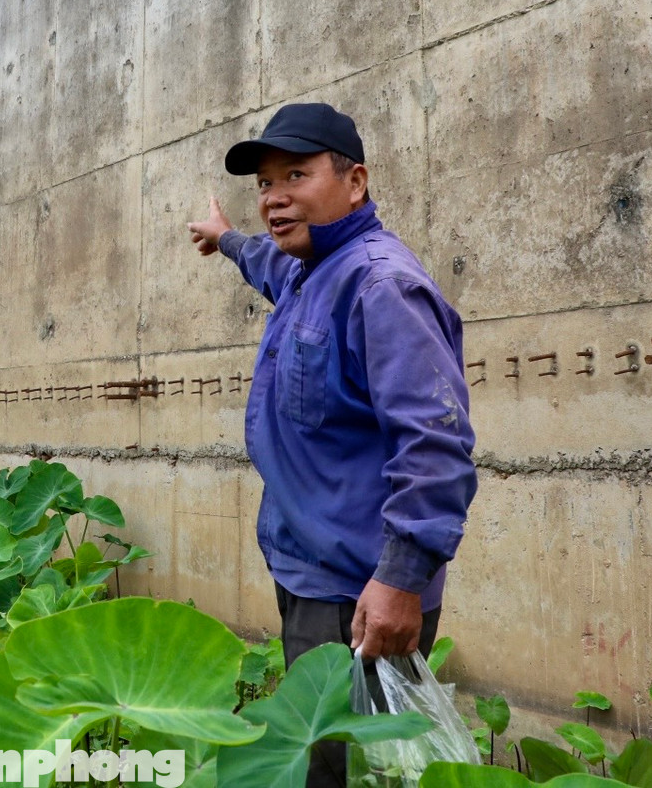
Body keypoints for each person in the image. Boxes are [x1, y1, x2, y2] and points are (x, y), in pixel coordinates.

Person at [186, 102, 477, 786]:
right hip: (307, 567)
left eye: (296, 174)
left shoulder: (379, 285)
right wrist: (225, 237)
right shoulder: (307, 265)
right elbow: (263, 261)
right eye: (263, 184)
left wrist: (402, 578)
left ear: (355, 181)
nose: (274, 197)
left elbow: (436, 443)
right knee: (332, 758)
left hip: (360, 592)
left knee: (337, 770)